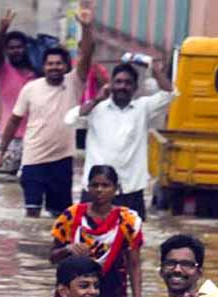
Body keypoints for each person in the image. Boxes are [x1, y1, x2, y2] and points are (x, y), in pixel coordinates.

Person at [0, 5, 96, 217]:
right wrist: (0, 152)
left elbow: (86, 55)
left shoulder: (73, 83)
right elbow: (13, 121)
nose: (54, 67)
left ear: (66, 67)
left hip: (62, 161)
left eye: (59, 64)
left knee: (61, 217)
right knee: (32, 217)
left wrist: (86, 28)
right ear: (44, 66)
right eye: (50, 64)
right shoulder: (31, 88)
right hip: (33, 160)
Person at [64, 58, 176, 219]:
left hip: (130, 190)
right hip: (96, 189)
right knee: (87, 238)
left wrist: (155, 70)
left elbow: (171, 94)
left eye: (127, 83)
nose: (122, 86)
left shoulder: (143, 108)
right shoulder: (96, 108)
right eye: (118, 82)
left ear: (135, 87)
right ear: (111, 84)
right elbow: (70, 120)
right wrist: (96, 99)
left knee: (131, 241)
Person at [49, 165, 148, 297]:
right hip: (73, 293)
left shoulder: (128, 221)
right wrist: (68, 249)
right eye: (95, 185)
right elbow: (52, 257)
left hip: (112, 292)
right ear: (88, 188)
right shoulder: (71, 217)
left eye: (105, 185)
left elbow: (134, 263)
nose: (99, 190)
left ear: (116, 189)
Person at [0, 10, 38, 174]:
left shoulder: (36, 74)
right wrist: (2, 31)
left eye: (19, 47)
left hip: (34, 137)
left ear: (25, 49)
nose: (16, 51)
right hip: (10, 138)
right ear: (6, 51)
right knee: (5, 183)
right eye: (11, 48)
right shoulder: (3, 70)